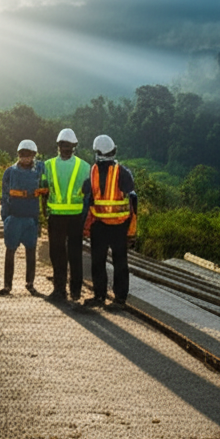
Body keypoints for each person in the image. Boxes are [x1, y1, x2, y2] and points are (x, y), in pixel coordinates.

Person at [80, 134, 137, 310]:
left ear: (97, 152)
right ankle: (119, 298)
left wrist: (85, 226)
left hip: (100, 226)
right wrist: (131, 231)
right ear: (113, 151)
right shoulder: (123, 172)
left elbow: (86, 194)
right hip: (119, 226)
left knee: (98, 262)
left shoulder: (93, 172)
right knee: (120, 262)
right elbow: (133, 199)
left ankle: (99, 296)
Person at [41, 129, 90, 303]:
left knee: (58, 253)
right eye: (65, 145)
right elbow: (88, 195)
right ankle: (74, 292)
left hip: (58, 217)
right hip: (75, 217)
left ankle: (60, 291)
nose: (65, 148)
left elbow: (44, 191)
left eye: (66, 145)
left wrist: (43, 211)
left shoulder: (48, 165)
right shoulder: (84, 167)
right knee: (74, 254)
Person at [0, 139, 47, 296]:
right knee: (10, 250)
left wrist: (40, 217)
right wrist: (5, 218)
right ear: (18, 155)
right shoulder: (10, 173)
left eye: (29, 155)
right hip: (14, 217)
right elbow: (4, 196)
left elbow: (45, 188)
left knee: (31, 251)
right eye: (22, 154)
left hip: (31, 218)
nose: (25, 157)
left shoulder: (40, 169)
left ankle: (30, 283)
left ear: (34, 155)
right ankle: (7, 286)